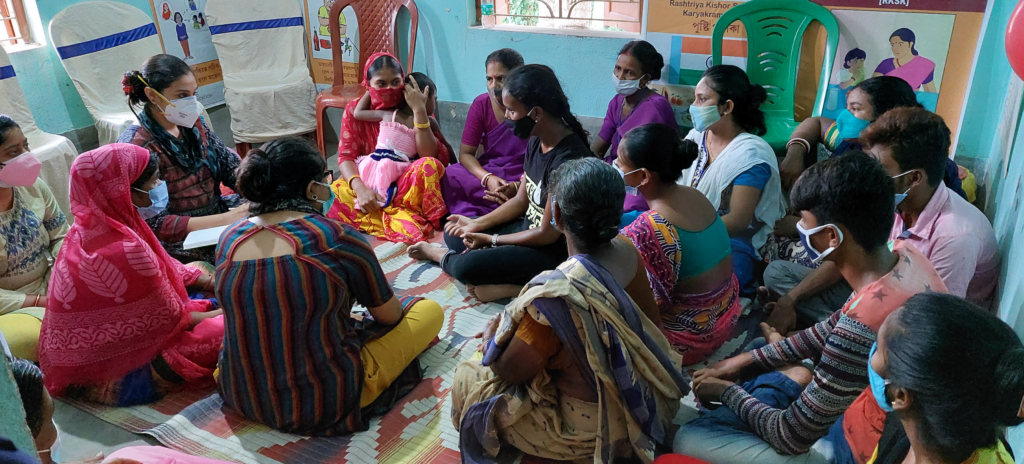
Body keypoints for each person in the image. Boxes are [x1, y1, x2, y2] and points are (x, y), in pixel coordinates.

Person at [675, 152, 946, 464]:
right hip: (872, 415)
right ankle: (792, 380)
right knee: (764, 352)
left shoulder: (859, 329)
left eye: (804, 221)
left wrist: (726, 392)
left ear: (832, 236)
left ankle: (788, 388)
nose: (799, 227)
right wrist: (740, 362)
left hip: (855, 449)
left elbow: (790, 436)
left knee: (689, 437)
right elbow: (828, 328)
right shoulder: (906, 255)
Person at [450, 158, 688, 463]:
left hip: (592, 426)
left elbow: (510, 371)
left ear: (557, 215)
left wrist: (494, 335)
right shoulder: (629, 251)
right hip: (644, 395)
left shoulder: (557, 296)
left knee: (469, 376)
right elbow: (651, 332)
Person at [216, 137, 444, 436]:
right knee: (428, 311)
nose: (330, 186)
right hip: (327, 399)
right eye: (327, 179)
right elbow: (389, 317)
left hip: (240, 392)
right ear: (312, 189)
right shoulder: (335, 237)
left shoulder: (228, 239)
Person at [764, 107, 995, 332]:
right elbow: (849, 258)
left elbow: (932, 325)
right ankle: (836, 328)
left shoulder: (956, 237)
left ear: (914, 178)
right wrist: (790, 300)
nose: (870, 175)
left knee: (855, 330)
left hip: (913, 320)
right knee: (777, 274)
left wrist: (849, 320)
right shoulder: (894, 202)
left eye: (881, 169)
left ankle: (844, 335)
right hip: (881, 286)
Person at [38, 144, 223, 406]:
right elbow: (175, 321)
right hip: (123, 374)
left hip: (96, 359)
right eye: (152, 181)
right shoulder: (122, 250)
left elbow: (170, 269)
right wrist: (233, 307)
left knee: (199, 273)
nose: (159, 186)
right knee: (228, 328)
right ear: (122, 188)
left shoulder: (89, 229)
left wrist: (216, 282)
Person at [408, 64, 593, 302]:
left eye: (511, 111)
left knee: (467, 267)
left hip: (550, 252)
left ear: (535, 113)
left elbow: (547, 234)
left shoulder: (567, 160)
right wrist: (476, 223)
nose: (506, 116)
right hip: (527, 230)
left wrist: (491, 240)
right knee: (456, 234)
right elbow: (520, 200)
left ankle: (438, 256)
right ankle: (504, 276)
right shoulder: (538, 140)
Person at [847, 293, 1022, 464]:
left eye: (878, 348)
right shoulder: (919, 424)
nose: (873, 352)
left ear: (900, 396)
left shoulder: (920, 422)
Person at [618, 123, 741, 365]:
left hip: (688, 339)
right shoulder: (694, 195)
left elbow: (651, 307)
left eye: (621, 165)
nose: (617, 168)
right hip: (726, 317)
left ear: (643, 176)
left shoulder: (647, 229)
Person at [119, 54, 247, 264]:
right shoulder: (137, 150)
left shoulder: (193, 125)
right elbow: (154, 223)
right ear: (152, 95)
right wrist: (228, 219)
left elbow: (231, 168)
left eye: (193, 94)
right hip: (180, 243)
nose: (191, 103)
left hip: (218, 218)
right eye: (182, 95)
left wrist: (258, 192)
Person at [681, 65, 785, 295]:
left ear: (727, 107)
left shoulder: (751, 154)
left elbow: (737, 221)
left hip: (732, 239)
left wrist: (685, 232)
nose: (694, 107)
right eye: (695, 99)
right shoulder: (698, 136)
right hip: (685, 224)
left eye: (702, 99)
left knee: (718, 280)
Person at [329, 53, 449, 244]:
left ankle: (385, 214)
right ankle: (395, 216)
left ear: (404, 81)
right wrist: (360, 189)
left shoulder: (414, 107)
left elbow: (432, 156)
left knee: (429, 166)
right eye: (381, 84)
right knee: (333, 193)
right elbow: (346, 157)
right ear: (368, 85)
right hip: (369, 180)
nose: (389, 89)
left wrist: (419, 112)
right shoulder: (355, 110)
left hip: (404, 185)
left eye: (395, 82)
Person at [0, 116, 68, 362]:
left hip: (50, 283)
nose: (27, 156)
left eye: (25, 146)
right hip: (9, 306)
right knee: (31, 337)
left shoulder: (32, 187)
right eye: (13, 152)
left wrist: (66, 276)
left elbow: (61, 236)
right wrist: (40, 302)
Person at [592, 40, 678, 216]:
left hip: (642, 181)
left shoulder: (656, 107)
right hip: (616, 173)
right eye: (617, 69)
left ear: (644, 79)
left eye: (629, 72)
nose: (620, 77)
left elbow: (653, 167)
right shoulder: (617, 102)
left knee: (617, 213)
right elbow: (599, 147)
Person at [441, 48, 528, 218]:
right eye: (489, 79)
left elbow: (543, 157)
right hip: (491, 171)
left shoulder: (532, 106)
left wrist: (518, 186)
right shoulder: (481, 104)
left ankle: (506, 207)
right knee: (451, 174)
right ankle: (499, 210)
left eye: (501, 78)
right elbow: (466, 154)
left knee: (538, 186)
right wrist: (487, 178)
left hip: (522, 173)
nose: (494, 86)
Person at [872, 28, 937, 93]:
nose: (895, 49)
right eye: (893, 45)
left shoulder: (923, 65)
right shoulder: (886, 64)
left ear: (911, 44)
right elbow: (871, 88)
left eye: (900, 44)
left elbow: (931, 94)